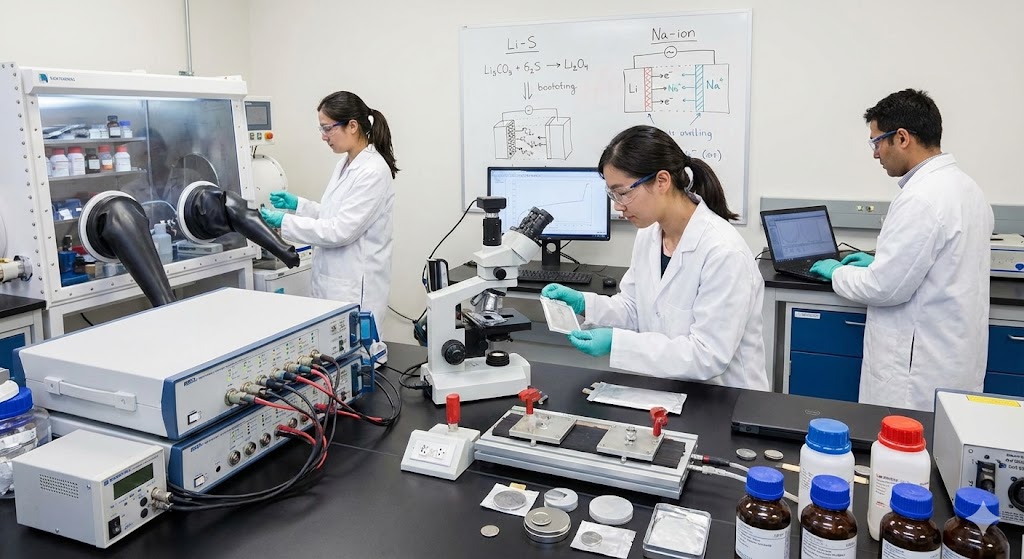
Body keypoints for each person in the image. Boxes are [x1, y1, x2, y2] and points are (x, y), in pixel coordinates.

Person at [543, 125, 769, 390]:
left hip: (723, 399)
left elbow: (706, 356)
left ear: (662, 181)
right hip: (668, 391)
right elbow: (634, 308)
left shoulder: (723, 252)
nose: (617, 205)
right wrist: (584, 304)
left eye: (623, 192)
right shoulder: (650, 234)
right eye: (612, 194)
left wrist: (617, 343)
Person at [810, 89, 993, 411]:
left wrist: (838, 272)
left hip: (915, 374)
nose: (875, 154)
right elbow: (936, 264)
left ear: (903, 138)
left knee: (902, 452)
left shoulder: (921, 198)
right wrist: (880, 262)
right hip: (951, 359)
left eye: (877, 141)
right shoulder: (965, 187)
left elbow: (883, 288)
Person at [260, 91, 398, 324]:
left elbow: (340, 231)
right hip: (333, 281)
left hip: (355, 288)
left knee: (357, 353)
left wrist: (284, 222)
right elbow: (332, 215)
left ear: (352, 126)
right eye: (321, 129)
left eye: (327, 128)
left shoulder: (373, 171)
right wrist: (299, 205)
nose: (324, 136)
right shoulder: (346, 163)